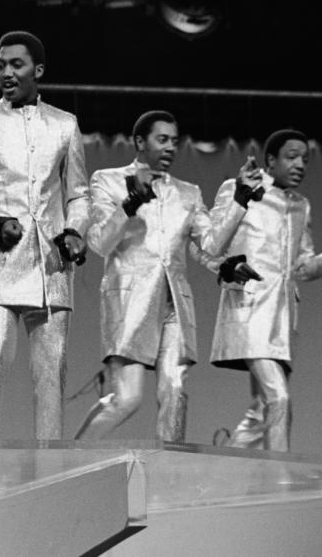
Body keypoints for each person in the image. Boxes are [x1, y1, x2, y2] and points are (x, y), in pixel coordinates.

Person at [74, 110, 263, 442]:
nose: (170, 147)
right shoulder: (108, 180)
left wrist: (240, 198)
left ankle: (168, 476)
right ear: (139, 142)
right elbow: (100, 242)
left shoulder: (187, 193)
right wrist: (131, 203)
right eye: (162, 139)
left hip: (174, 304)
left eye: (174, 141)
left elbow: (211, 243)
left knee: (175, 388)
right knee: (127, 399)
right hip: (129, 302)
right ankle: (73, 457)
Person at [0, 31, 89, 440]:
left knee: (52, 369)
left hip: (51, 266)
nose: (6, 73)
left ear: (38, 71)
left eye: (16, 65)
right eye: (0, 65)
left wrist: (74, 231)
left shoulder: (65, 125)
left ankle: (50, 465)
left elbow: (78, 192)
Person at [207, 128, 322, 452]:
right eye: (292, 157)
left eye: (305, 158)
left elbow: (300, 266)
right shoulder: (239, 189)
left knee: (264, 409)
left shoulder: (301, 205)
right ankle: (279, 484)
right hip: (248, 308)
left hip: (281, 319)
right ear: (270, 160)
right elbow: (212, 244)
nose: (300, 164)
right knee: (279, 397)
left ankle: (223, 471)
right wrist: (239, 200)